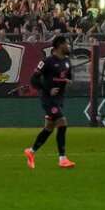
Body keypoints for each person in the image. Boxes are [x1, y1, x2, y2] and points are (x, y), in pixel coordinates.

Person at [24, 35, 75, 169]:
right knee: (62, 123)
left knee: (49, 128)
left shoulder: (67, 62)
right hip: (48, 99)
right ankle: (62, 159)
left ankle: (31, 151)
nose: (68, 46)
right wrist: (48, 89)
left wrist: (68, 81)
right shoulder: (46, 62)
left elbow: (68, 77)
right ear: (59, 46)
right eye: (67, 44)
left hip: (58, 100)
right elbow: (34, 80)